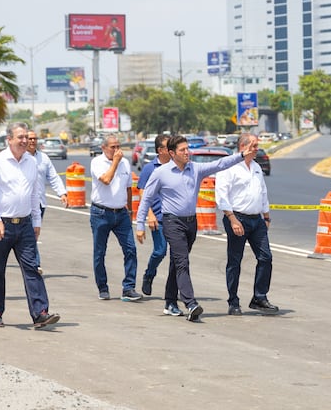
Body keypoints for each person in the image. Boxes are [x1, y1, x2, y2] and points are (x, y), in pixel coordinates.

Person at [136, 134, 256, 321]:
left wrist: (241, 155)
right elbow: (147, 198)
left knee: (177, 262)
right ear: (172, 153)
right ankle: (190, 303)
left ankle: (169, 301)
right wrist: (140, 224)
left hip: (191, 223)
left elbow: (220, 164)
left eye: (187, 149)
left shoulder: (196, 169)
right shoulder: (161, 172)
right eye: (182, 150)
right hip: (171, 222)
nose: (187, 153)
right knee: (182, 261)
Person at [0, 122, 60, 329]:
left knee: (32, 268)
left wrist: (36, 221)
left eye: (26, 137)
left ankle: (40, 312)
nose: (25, 141)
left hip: (24, 224)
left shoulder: (31, 162)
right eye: (20, 137)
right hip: (2, 225)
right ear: (9, 140)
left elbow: (35, 194)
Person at [215, 133, 279, 316]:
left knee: (266, 257)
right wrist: (232, 219)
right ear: (243, 147)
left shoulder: (257, 167)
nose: (257, 149)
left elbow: (263, 192)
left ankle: (259, 297)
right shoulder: (229, 167)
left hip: (256, 220)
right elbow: (221, 195)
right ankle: (233, 301)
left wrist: (266, 217)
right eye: (254, 145)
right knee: (235, 261)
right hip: (237, 218)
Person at [88, 135, 142, 302]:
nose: (117, 150)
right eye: (113, 147)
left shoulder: (125, 163)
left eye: (119, 146)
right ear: (104, 148)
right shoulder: (97, 162)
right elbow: (106, 180)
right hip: (101, 213)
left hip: (121, 213)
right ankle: (103, 287)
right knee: (99, 252)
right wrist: (115, 162)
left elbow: (128, 188)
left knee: (130, 249)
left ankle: (129, 287)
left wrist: (131, 210)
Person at [26, 130, 68, 274]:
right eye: (29, 138)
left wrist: (62, 193)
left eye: (34, 138)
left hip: (39, 203)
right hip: (23, 204)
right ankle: (34, 264)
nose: (32, 141)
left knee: (33, 234)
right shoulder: (20, 158)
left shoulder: (43, 158)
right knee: (29, 234)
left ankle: (32, 264)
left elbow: (53, 177)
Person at [137, 134, 170, 297]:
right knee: (160, 251)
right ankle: (149, 275)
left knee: (180, 257)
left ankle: (175, 288)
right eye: (168, 146)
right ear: (160, 150)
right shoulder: (150, 168)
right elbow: (142, 191)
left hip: (176, 218)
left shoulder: (176, 165)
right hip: (158, 217)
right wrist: (149, 214)